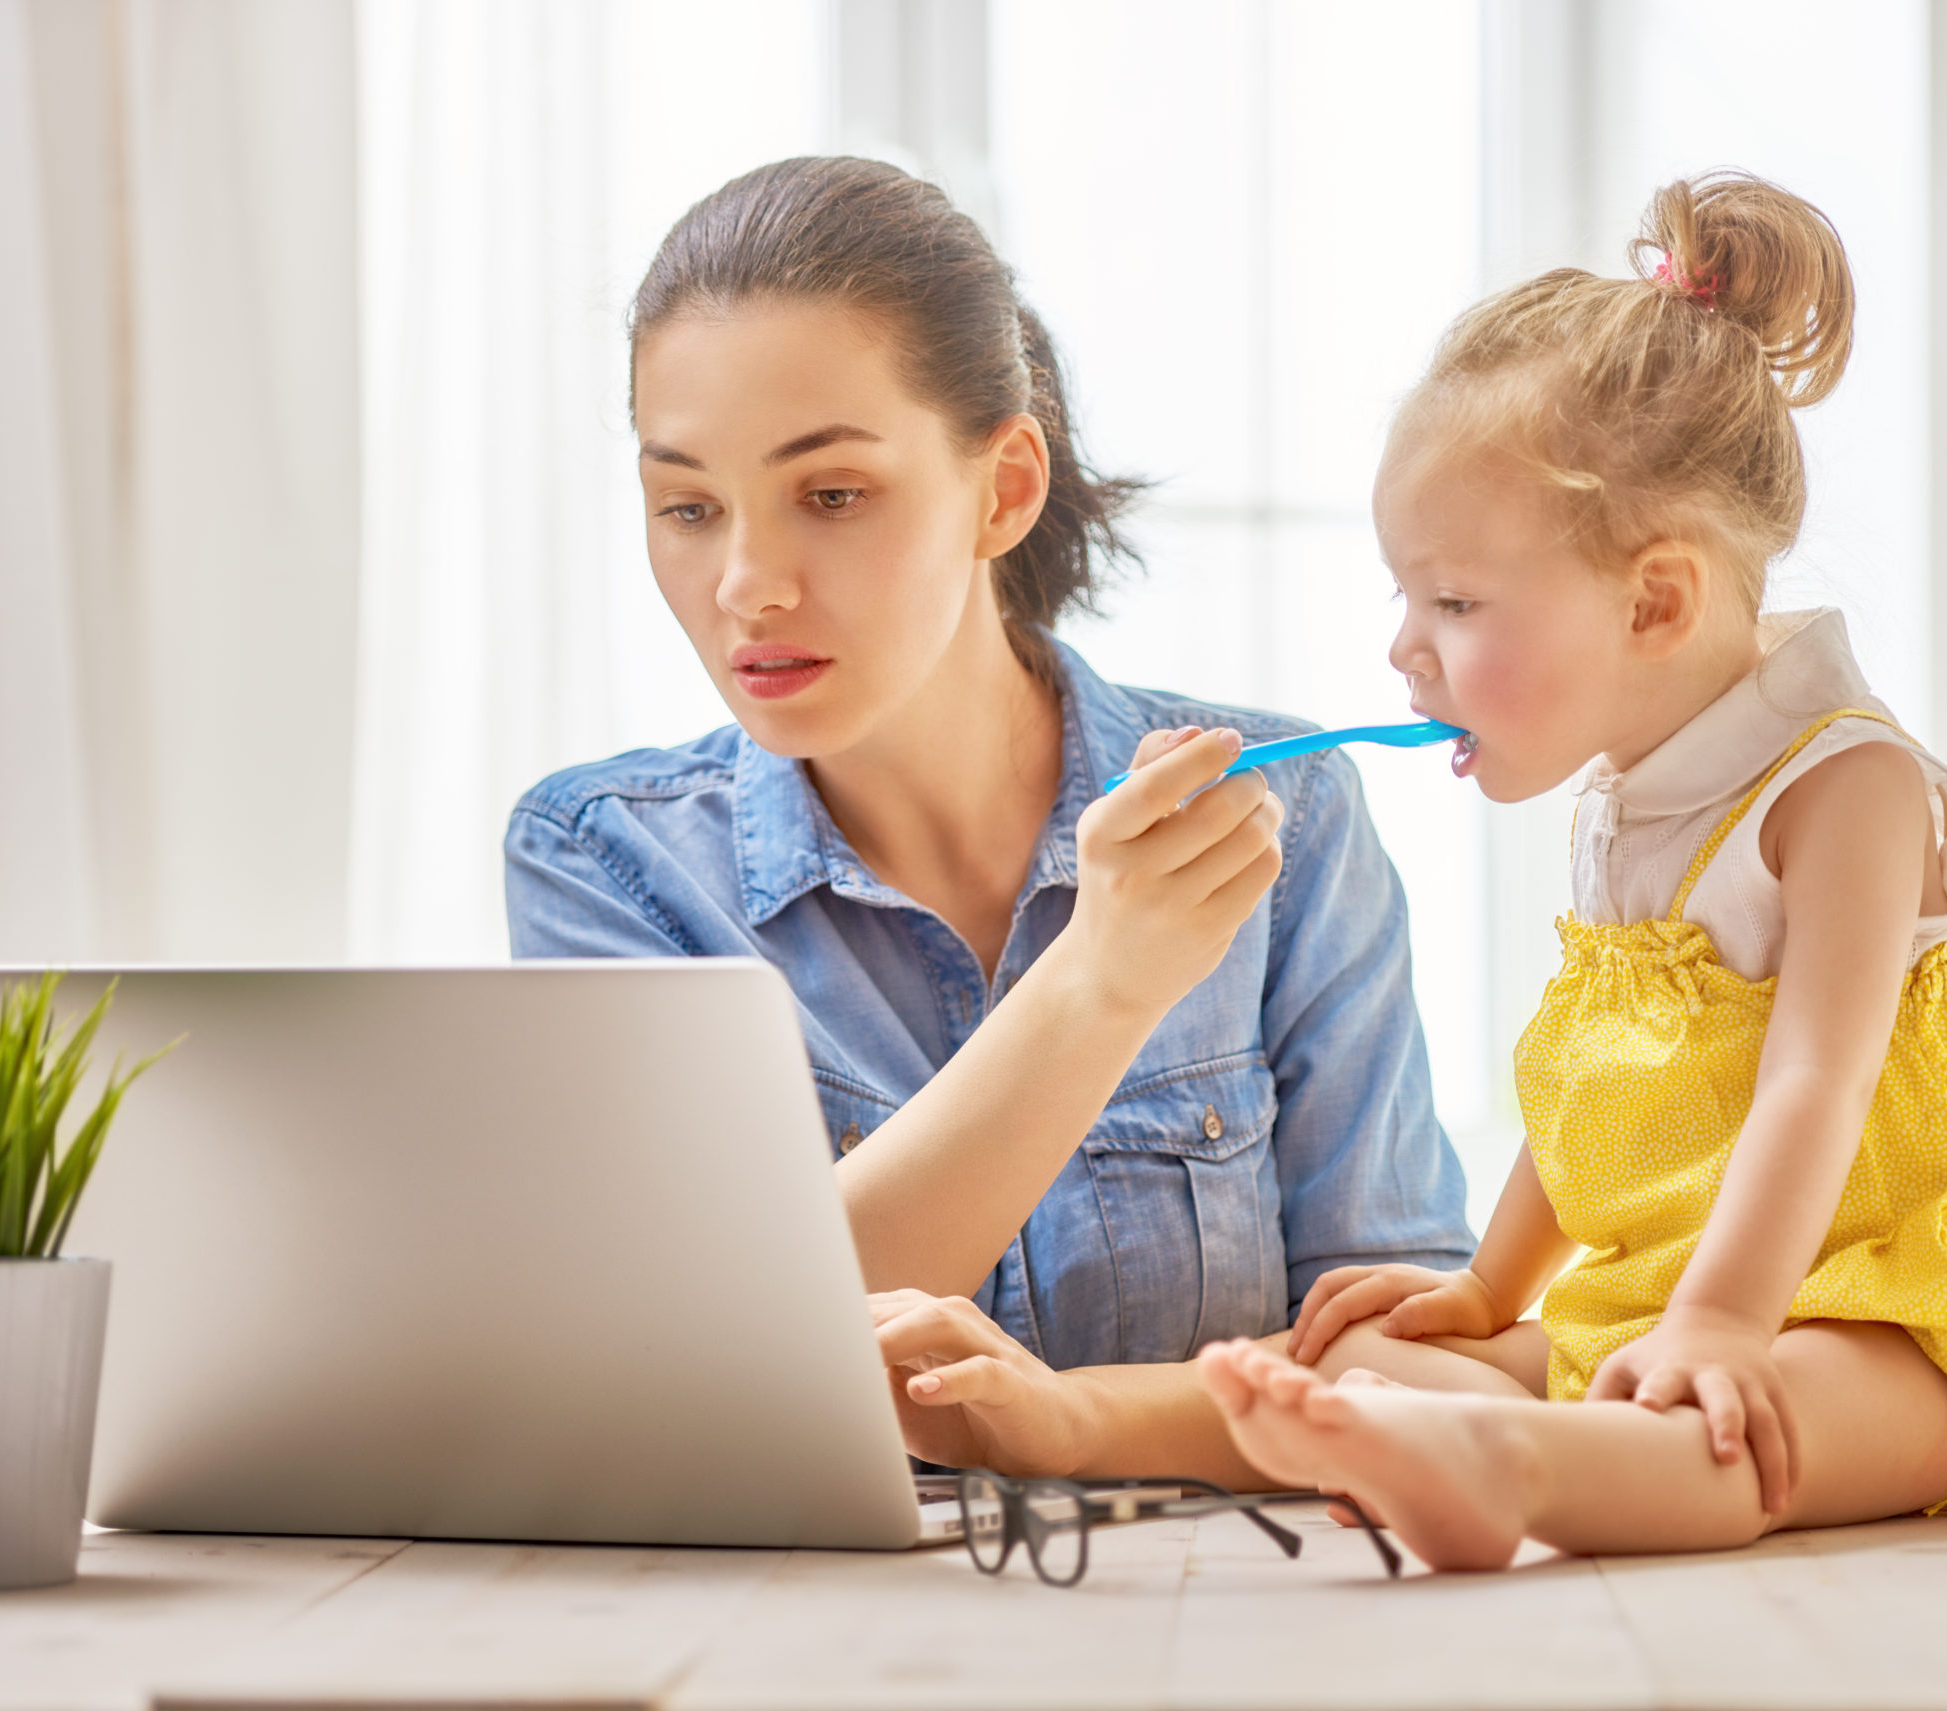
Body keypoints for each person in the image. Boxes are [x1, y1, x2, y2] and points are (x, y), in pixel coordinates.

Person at [1193, 172, 1947, 1566]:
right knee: (1377, 1368)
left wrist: (1718, 1325)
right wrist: (1488, 1286)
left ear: (1655, 600)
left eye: (1454, 604)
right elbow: (1595, 1082)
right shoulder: (1623, 807)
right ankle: (1481, 1443)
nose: (1407, 650)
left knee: (1736, 1435)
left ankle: (1514, 1469)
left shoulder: (1847, 791)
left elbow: (1815, 1084)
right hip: (1694, 1294)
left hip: (1908, 1313)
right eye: (1408, 598)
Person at [503, 156, 1471, 1487]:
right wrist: (1098, 987)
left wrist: (1079, 1423)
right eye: (686, 507)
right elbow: (689, 1361)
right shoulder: (606, 863)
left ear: (1004, 489)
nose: (744, 584)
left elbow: (1407, 1361)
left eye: (831, 495)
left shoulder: (1279, 815)